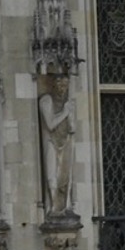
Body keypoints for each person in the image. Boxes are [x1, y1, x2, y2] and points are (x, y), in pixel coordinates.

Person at [39, 74, 76, 217]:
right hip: (51, 141)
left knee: (65, 176)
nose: (62, 89)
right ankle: (54, 206)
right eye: (60, 85)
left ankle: (66, 205)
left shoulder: (68, 103)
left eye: (65, 86)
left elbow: (72, 128)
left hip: (65, 140)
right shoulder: (46, 101)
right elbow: (50, 124)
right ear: (53, 85)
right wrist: (65, 112)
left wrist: (70, 115)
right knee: (52, 174)